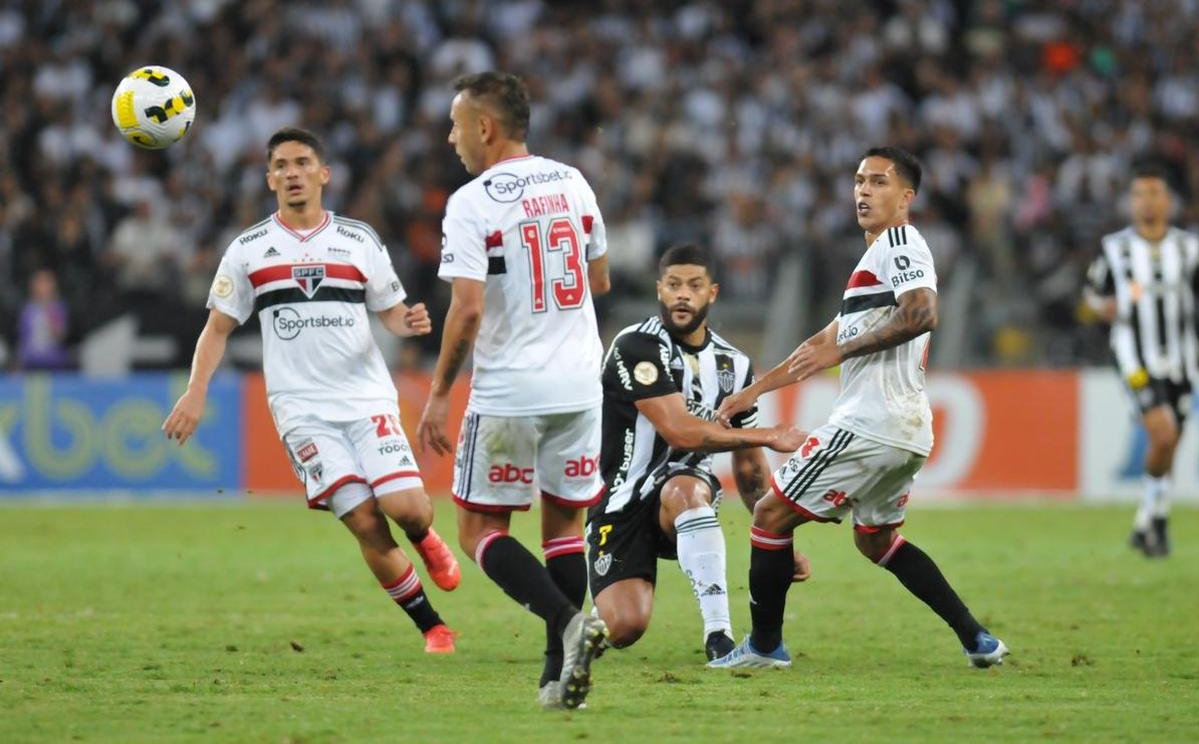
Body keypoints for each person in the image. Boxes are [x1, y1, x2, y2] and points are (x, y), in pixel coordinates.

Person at [162, 127, 460, 653]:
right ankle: (433, 627)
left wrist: (405, 321)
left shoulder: (358, 239)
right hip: (301, 411)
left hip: (366, 397)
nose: (292, 172)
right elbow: (217, 328)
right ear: (270, 178)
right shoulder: (249, 250)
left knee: (408, 508)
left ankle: (424, 538)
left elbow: (387, 308)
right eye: (281, 164)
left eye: (302, 162)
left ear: (324, 174)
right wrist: (195, 391)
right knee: (366, 522)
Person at [709, 147, 1009, 670]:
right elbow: (818, 344)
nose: (864, 191)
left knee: (769, 515)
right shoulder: (872, 266)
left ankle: (763, 647)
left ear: (906, 197)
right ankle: (978, 639)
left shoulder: (900, 242)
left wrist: (841, 351)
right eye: (858, 181)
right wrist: (754, 391)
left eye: (879, 182)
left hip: (870, 422)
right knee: (876, 541)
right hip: (907, 432)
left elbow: (923, 314)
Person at [417, 71, 610, 710]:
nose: (451, 139)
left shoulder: (473, 202)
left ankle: (566, 622)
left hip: (510, 389)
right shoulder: (573, 181)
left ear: (484, 127)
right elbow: (599, 279)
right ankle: (558, 683)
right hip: (581, 381)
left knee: (477, 528)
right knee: (564, 523)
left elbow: (467, 310)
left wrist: (441, 392)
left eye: (455, 125)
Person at [587, 244, 808, 663]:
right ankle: (581, 628)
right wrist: (767, 435)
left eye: (694, 285)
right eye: (673, 285)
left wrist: (778, 539)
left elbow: (749, 470)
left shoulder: (734, 365)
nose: (682, 295)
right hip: (620, 500)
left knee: (686, 485)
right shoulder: (635, 346)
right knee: (626, 625)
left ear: (713, 293)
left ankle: (719, 636)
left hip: (684, 498)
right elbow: (679, 430)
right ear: (659, 291)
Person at [1084, 164, 1199, 558]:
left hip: (1182, 359)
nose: (1147, 201)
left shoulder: (1190, 248)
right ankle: (1159, 524)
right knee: (1163, 435)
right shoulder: (1114, 247)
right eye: (1139, 194)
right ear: (1130, 202)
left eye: (1155, 193)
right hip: (1134, 356)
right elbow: (1093, 294)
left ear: (1168, 201)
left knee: (1170, 444)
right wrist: (1105, 307)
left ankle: (1148, 520)